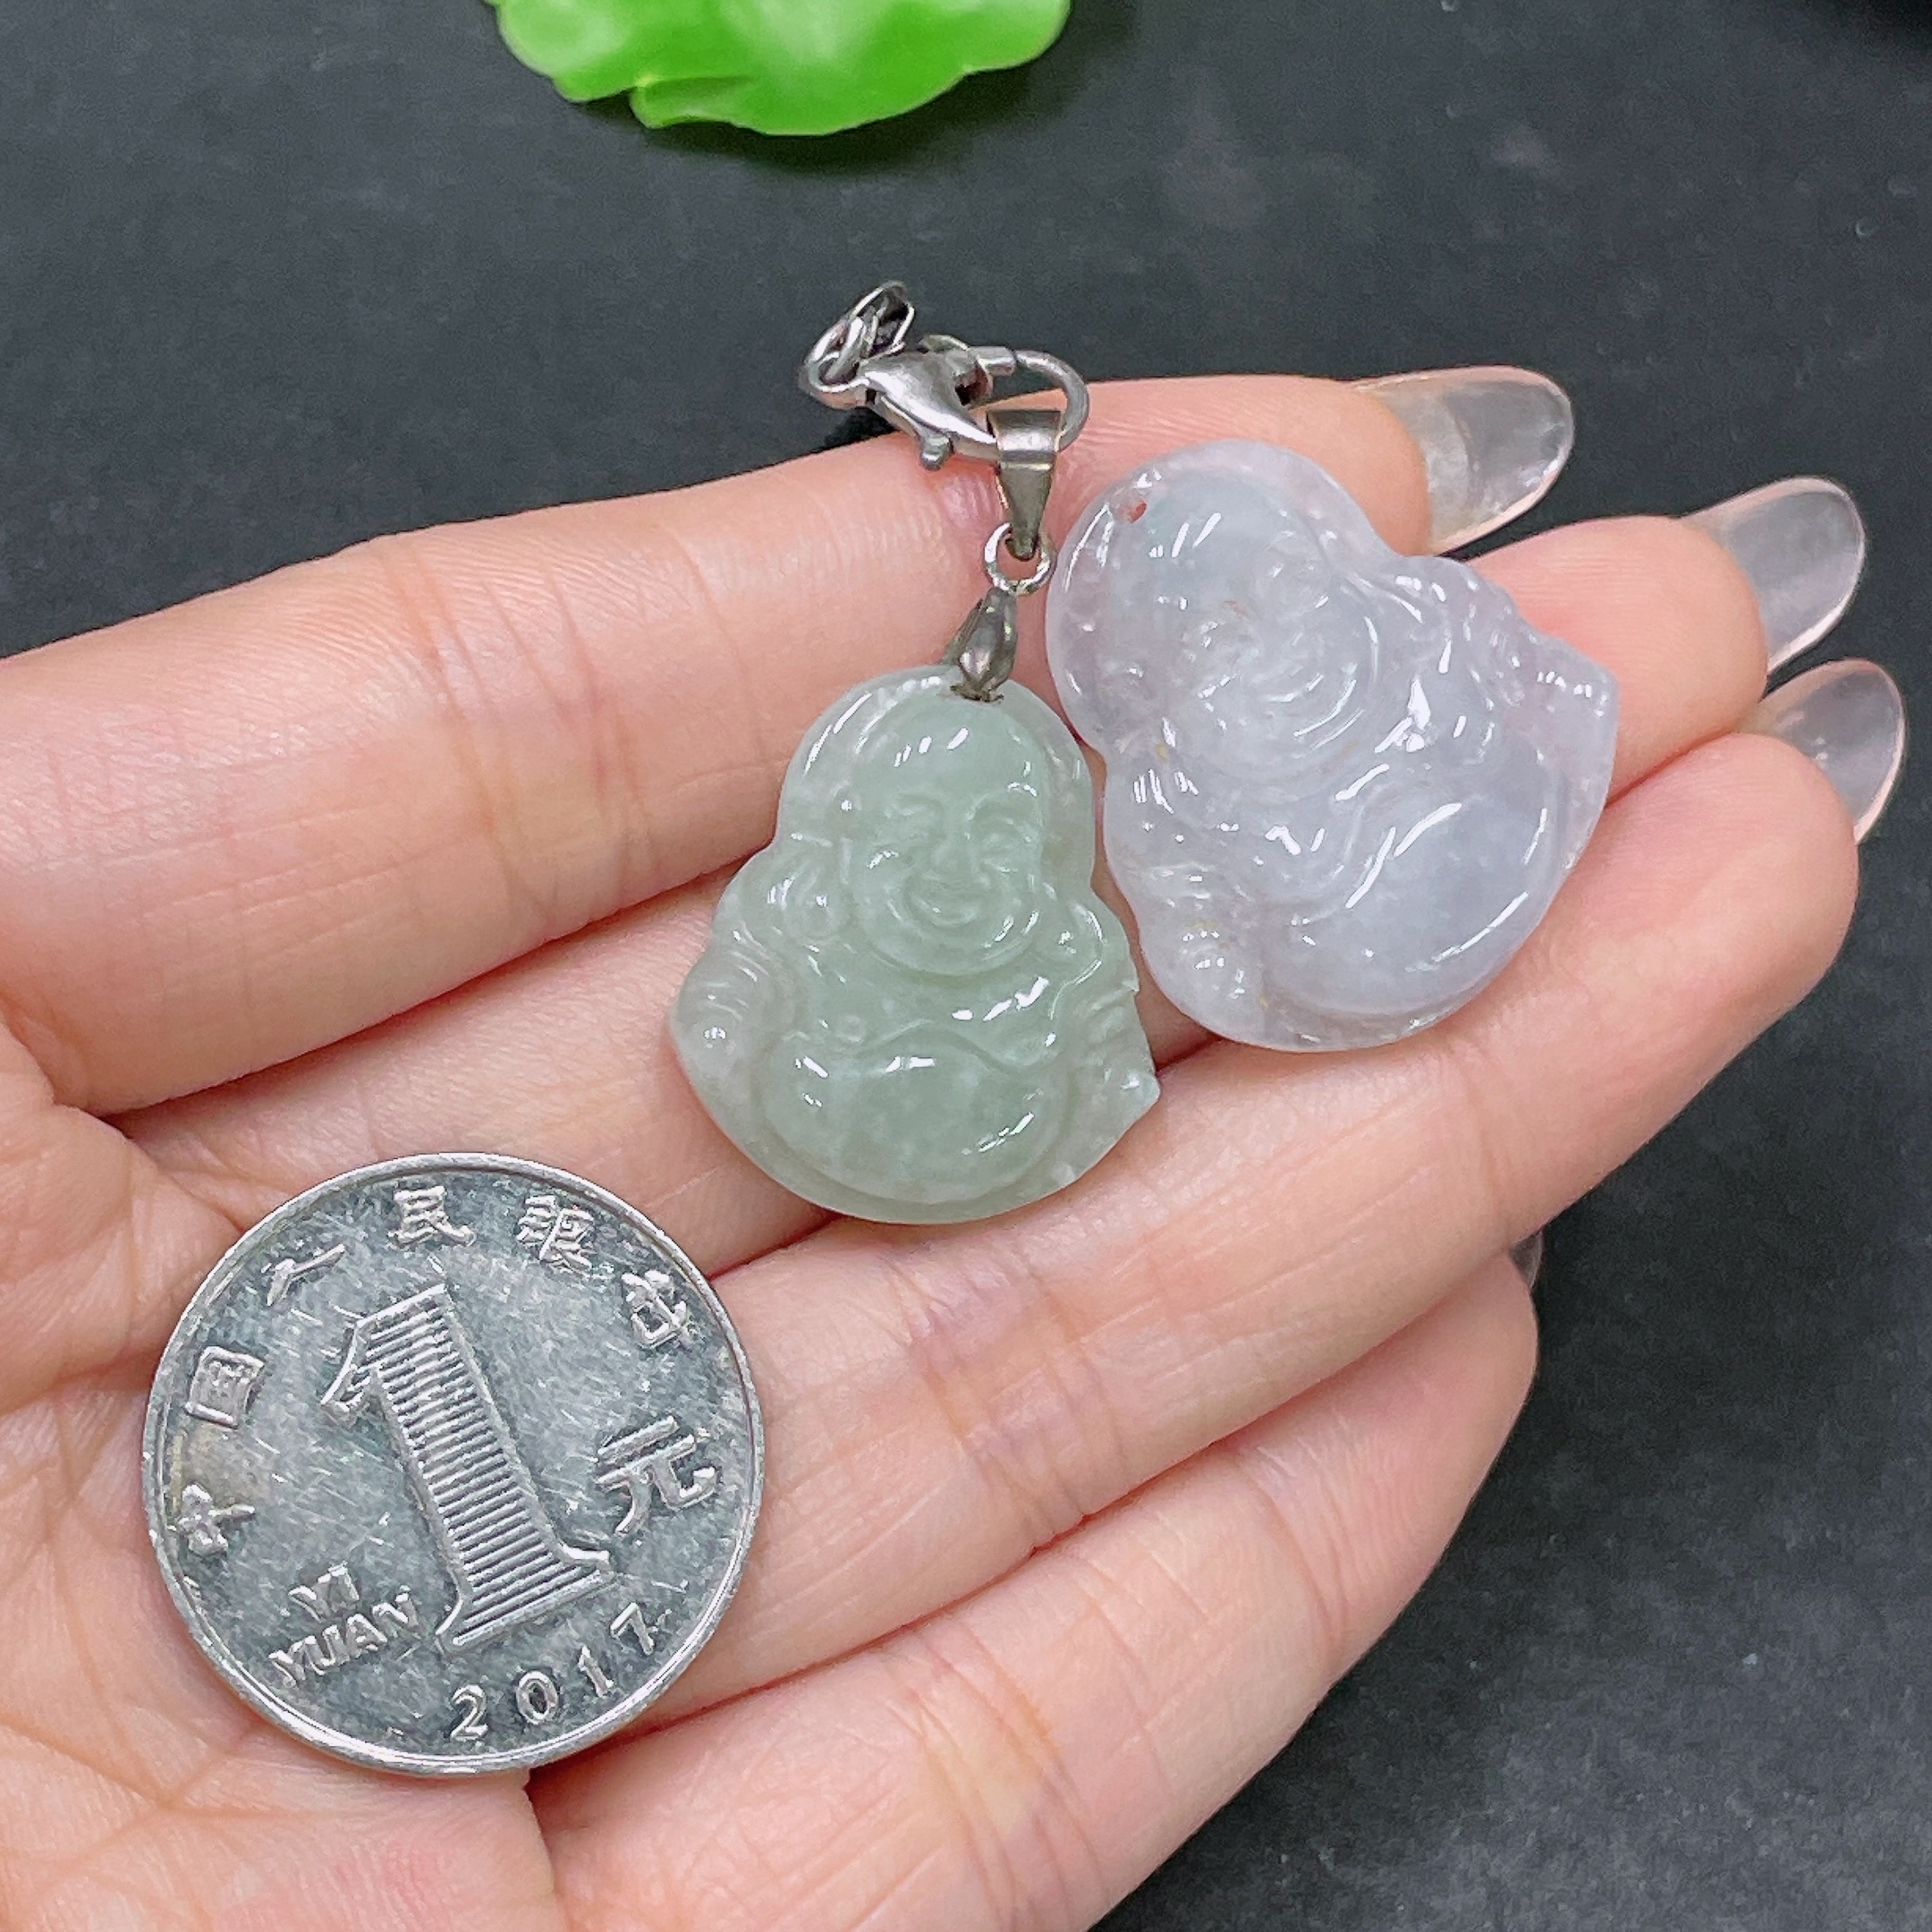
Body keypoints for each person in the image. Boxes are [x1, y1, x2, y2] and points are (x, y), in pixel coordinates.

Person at [0, 370, 1892, 1928]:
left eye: (1002, 845)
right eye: (920, 846)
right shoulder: (782, 1000)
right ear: (845, 855)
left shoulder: (1118, 960)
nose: (964, 877)